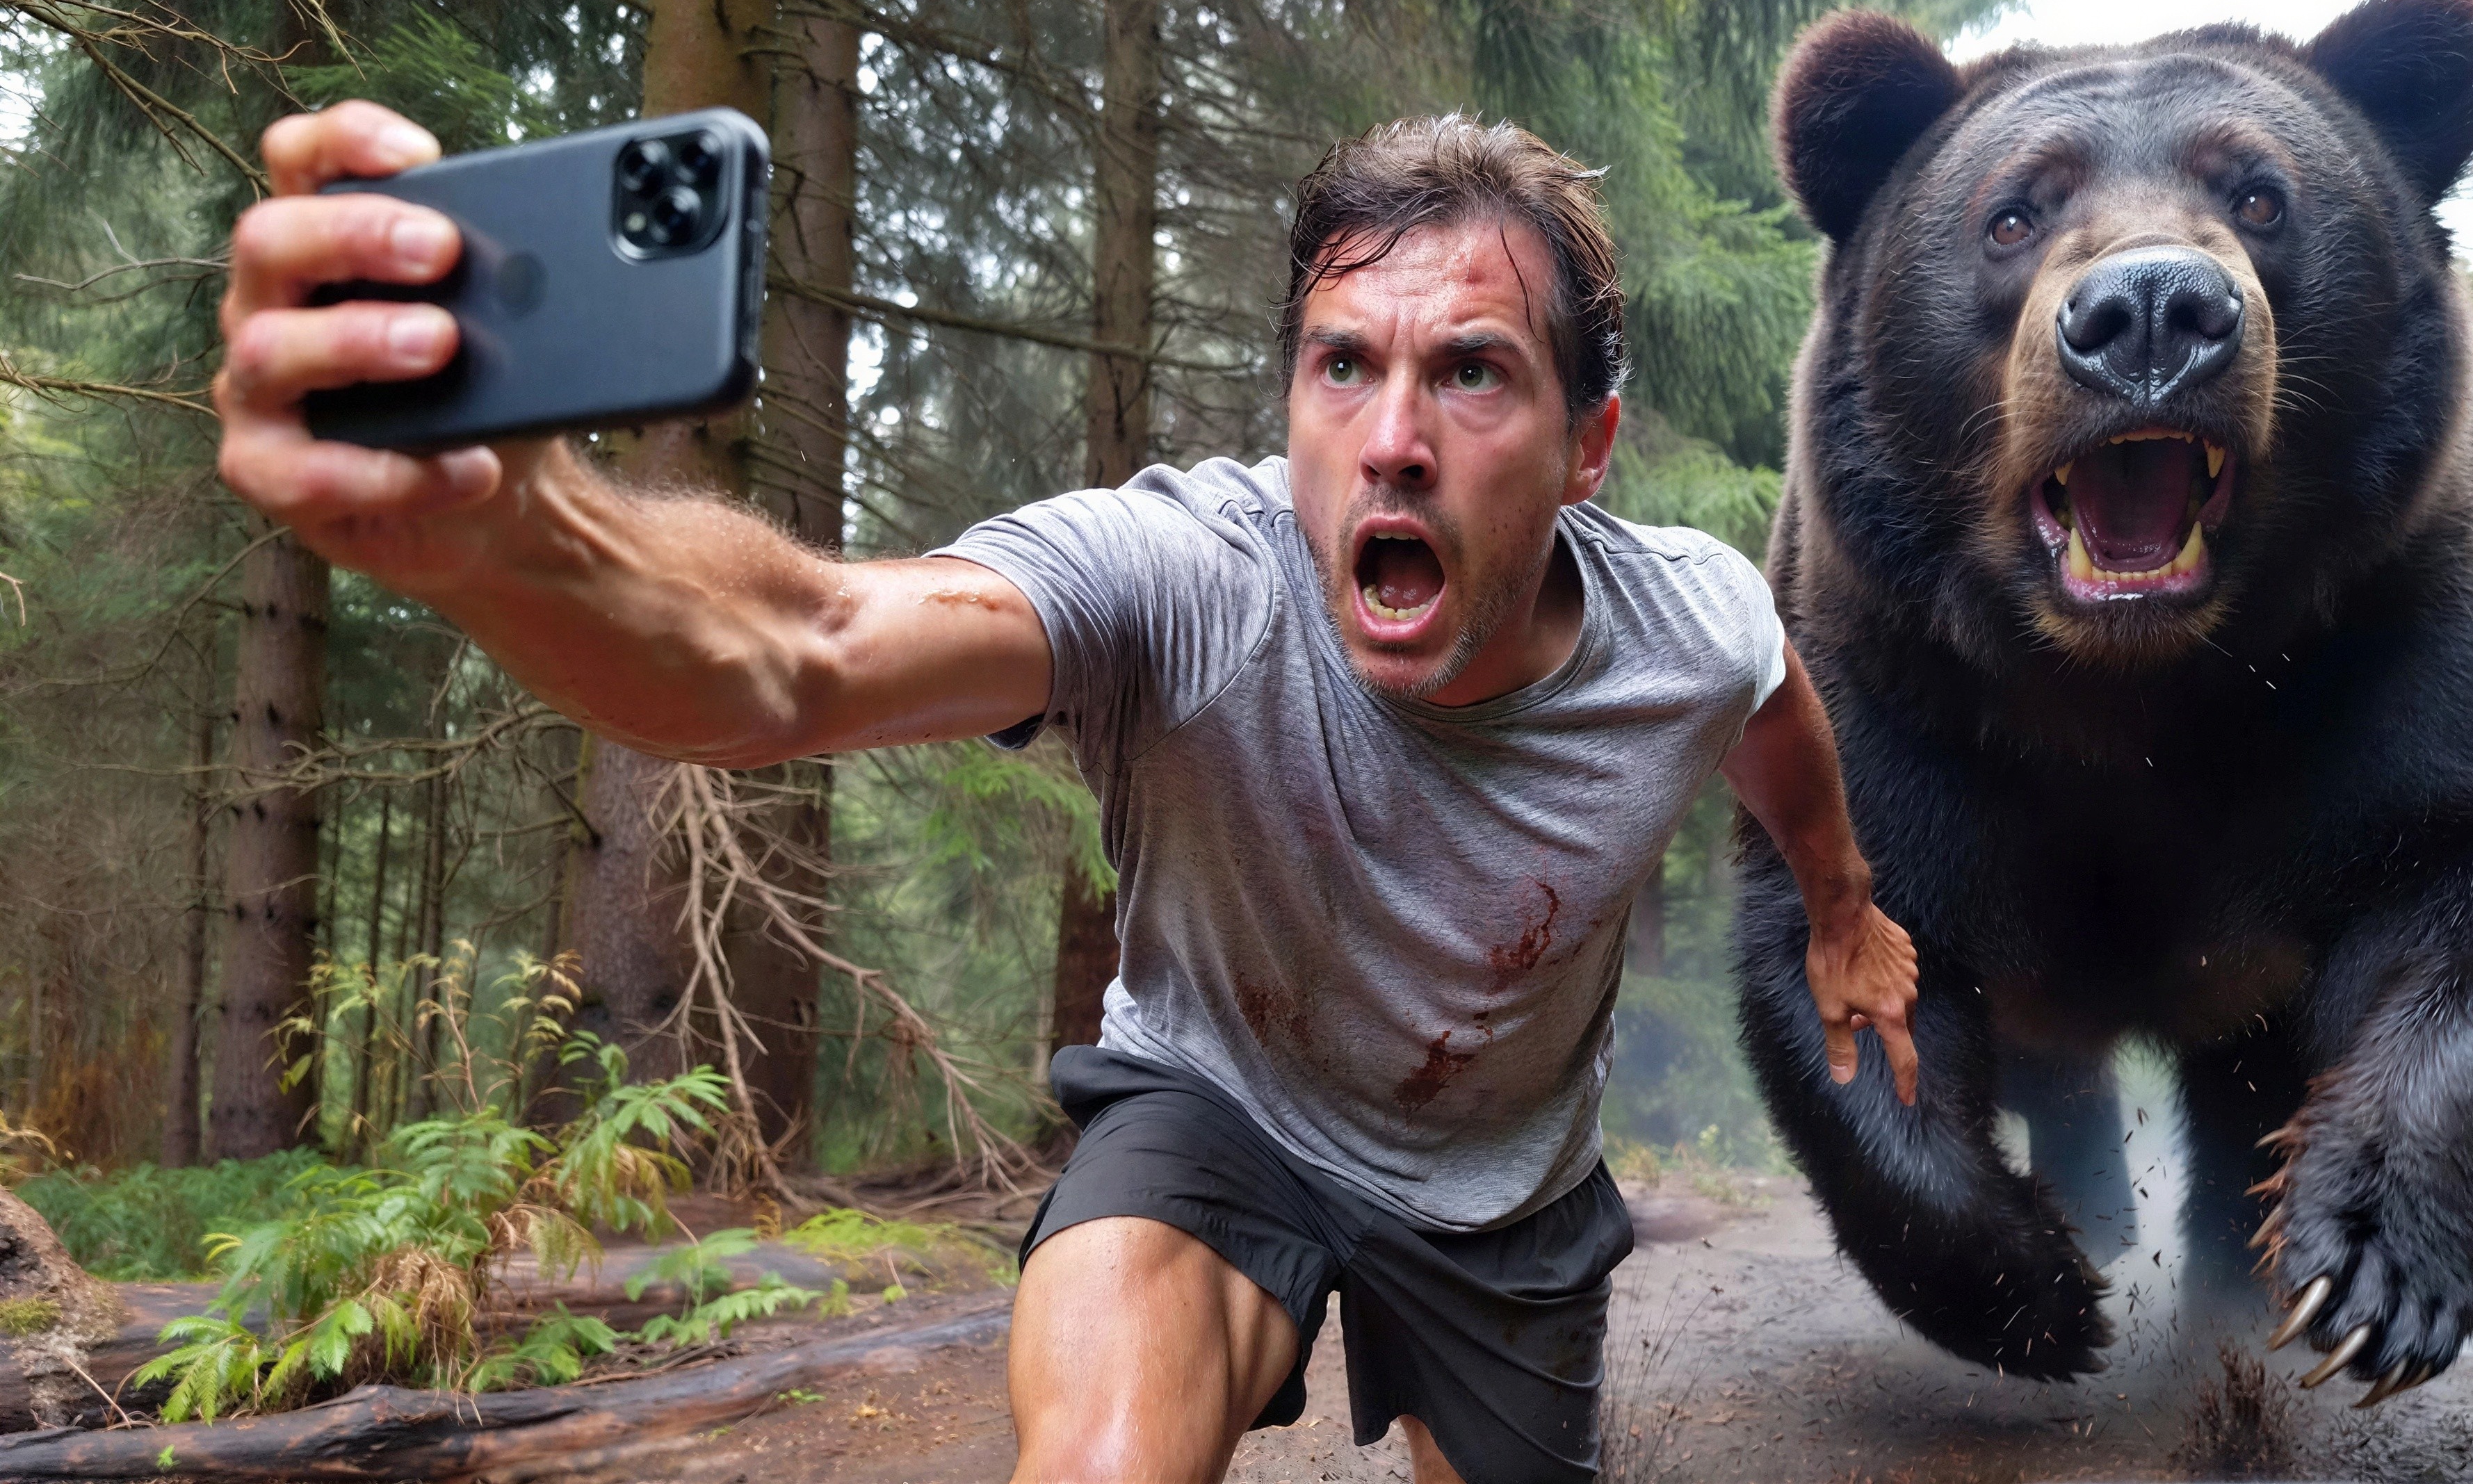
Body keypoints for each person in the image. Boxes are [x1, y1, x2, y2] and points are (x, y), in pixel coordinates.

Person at [217, 101, 1921, 1484]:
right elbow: (802, 646)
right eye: (1341, 366)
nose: (1391, 439)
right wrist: (520, 537)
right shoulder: (1189, 577)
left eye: (1471, 371)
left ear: (1587, 448)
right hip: (1221, 1104)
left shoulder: (1683, 620)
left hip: (1503, 1187)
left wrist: (1841, 909)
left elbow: (1771, 707)